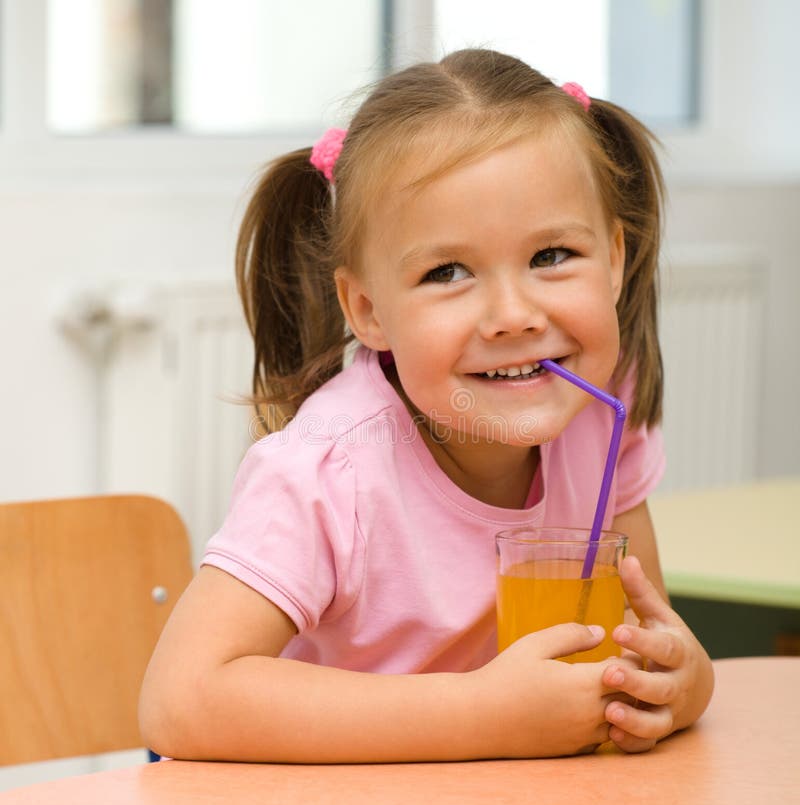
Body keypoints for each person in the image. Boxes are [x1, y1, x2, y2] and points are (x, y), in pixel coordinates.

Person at [139, 49, 714, 763]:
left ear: (617, 259)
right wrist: (484, 712)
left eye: (553, 255)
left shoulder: (599, 412)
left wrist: (679, 683)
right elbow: (179, 699)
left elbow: (643, 634)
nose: (513, 314)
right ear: (368, 309)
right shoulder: (329, 470)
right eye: (448, 272)